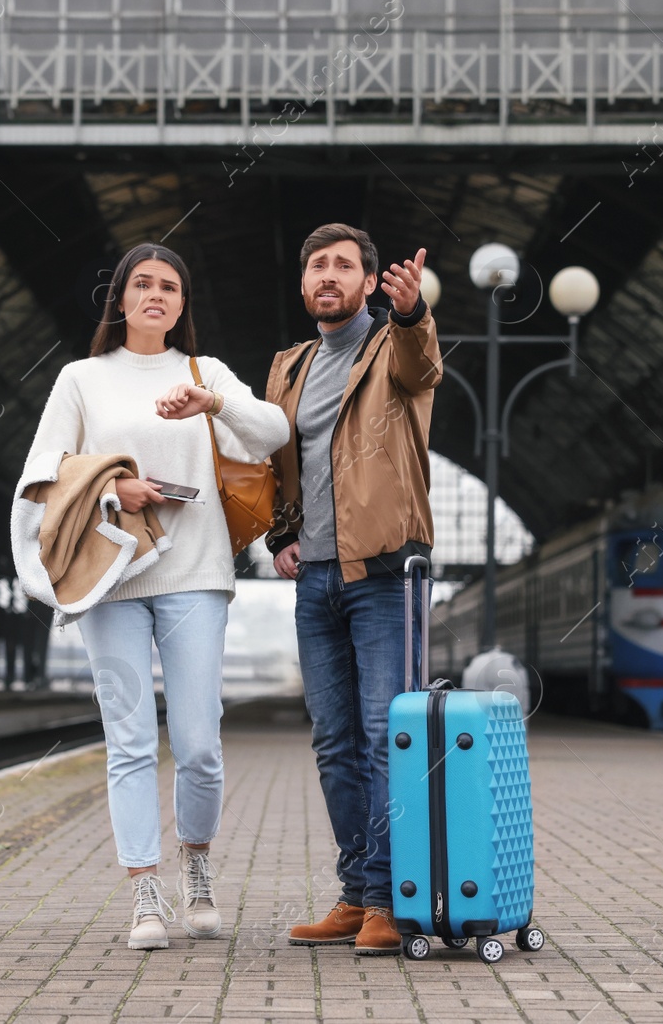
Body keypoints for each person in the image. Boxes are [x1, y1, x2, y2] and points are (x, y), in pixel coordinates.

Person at [16, 242, 289, 950]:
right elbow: (45, 470)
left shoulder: (205, 372)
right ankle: (144, 888)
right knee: (130, 740)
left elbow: (275, 430)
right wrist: (112, 485)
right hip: (111, 578)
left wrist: (214, 402)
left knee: (198, 741)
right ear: (121, 299)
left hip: (196, 573)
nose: (156, 295)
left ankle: (196, 864)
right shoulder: (82, 379)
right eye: (143, 283)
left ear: (182, 304)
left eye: (170, 286)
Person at [266, 224, 441, 956]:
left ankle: (387, 899)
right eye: (318, 266)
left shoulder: (393, 349)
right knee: (334, 742)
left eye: (344, 265)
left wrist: (411, 315)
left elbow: (421, 363)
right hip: (316, 581)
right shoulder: (289, 365)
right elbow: (276, 460)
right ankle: (352, 892)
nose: (329, 275)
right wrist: (281, 534)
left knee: (383, 739)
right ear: (305, 285)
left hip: (385, 574)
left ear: (369, 282)